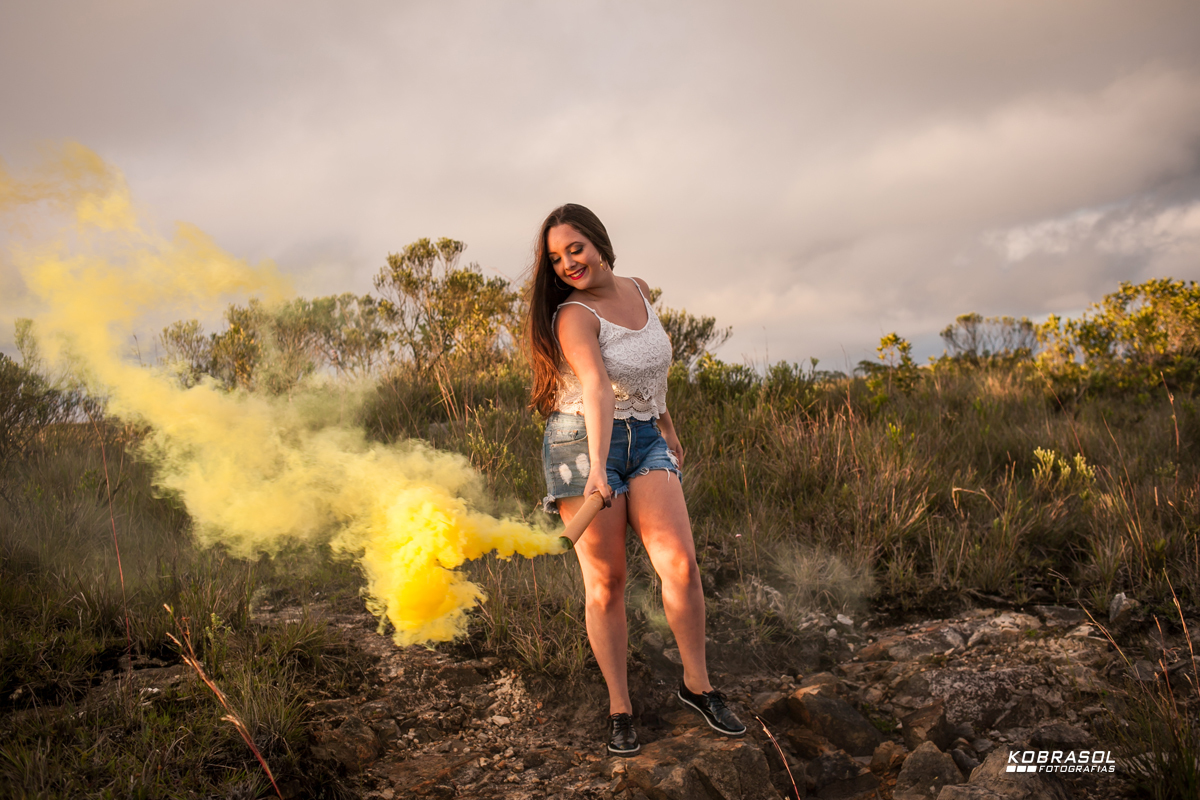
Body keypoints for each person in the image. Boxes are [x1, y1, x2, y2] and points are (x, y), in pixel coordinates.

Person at [524, 203, 745, 756]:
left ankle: (698, 686)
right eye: (556, 258)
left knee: (681, 565)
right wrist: (598, 468)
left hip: (643, 436)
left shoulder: (639, 290)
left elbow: (651, 368)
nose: (569, 262)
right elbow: (596, 387)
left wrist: (665, 424)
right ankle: (619, 707)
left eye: (575, 248)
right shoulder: (573, 316)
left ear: (599, 242)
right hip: (580, 444)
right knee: (608, 582)